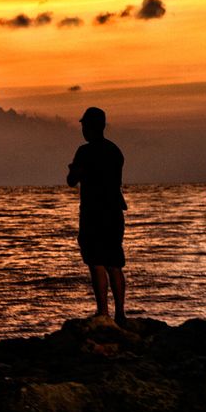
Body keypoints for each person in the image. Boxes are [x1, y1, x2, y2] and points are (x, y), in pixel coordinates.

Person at [67, 107, 127, 323]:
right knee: (114, 263)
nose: (82, 129)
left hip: (94, 213)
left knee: (96, 261)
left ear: (91, 127)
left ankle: (103, 312)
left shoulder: (84, 152)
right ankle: (120, 313)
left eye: (84, 125)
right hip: (114, 213)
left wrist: (76, 170)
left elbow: (72, 180)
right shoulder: (115, 151)